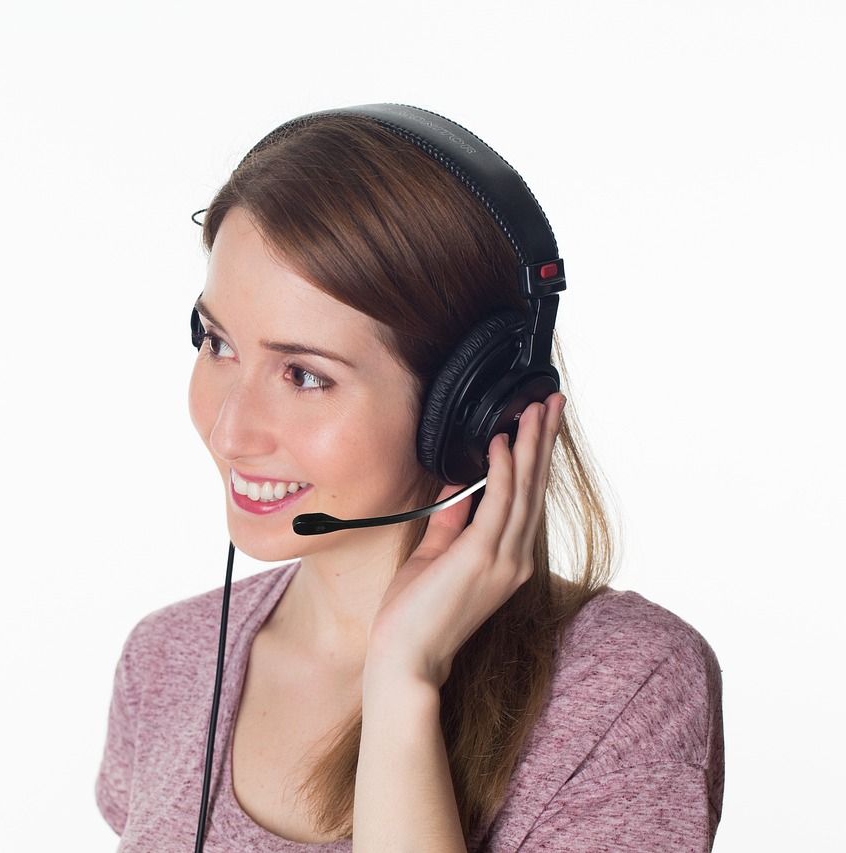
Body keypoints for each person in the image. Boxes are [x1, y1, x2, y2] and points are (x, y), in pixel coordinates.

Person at [95, 109, 724, 851]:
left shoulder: (623, 687)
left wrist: (402, 684)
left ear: (468, 404)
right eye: (218, 342)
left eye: (304, 374)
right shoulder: (169, 660)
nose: (230, 430)